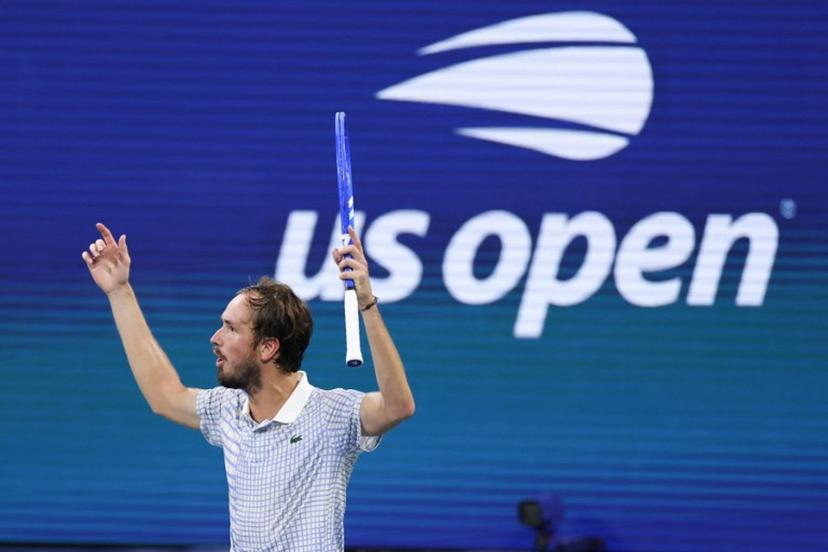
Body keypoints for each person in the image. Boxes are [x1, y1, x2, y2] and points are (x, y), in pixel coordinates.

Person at [81, 222, 415, 551]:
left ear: (268, 347)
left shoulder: (333, 414)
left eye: (230, 328)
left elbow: (398, 406)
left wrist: (366, 304)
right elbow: (165, 397)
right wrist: (119, 291)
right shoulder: (228, 408)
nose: (215, 339)